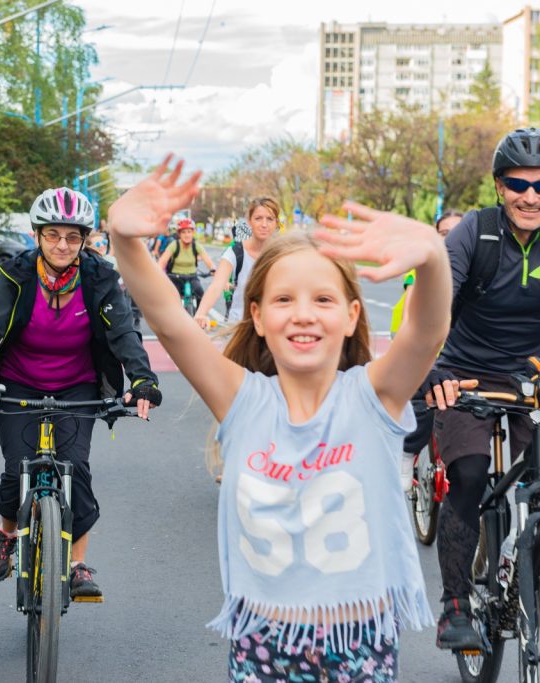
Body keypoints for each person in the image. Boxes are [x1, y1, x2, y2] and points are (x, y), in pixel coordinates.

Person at [109, 157, 446, 681]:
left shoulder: (374, 397)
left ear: (353, 315)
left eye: (324, 299)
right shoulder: (243, 399)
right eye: (284, 299)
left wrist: (432, 254)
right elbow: (171, 323)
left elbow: (427, 333)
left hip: (360, 642)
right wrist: (123, 238)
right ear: (259, 317)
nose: (304, 313)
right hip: (262, 644)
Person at [0, 186, 162, 600]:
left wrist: (143, 379)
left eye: (73, 236)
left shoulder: (99, 279)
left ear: (85, 240)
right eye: (53, 235)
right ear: (38, 235)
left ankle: (75, 565)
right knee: (15, 468)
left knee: (75, 468)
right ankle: (7, 534)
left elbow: (123, 334)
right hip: (17, 383)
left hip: (78, 386)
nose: (63, 245)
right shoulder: (16, 275)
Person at [420, 128, 540, 651]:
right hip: (464, 373)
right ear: (499, 186)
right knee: (468, 475)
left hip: (531, 376)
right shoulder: (476, 232)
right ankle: (454, 605)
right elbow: (433, 305)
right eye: (518, 184)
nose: (531, 196)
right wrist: (432, 371)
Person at [392, 209, 464, 492]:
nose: (452, 240)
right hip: (418, 348)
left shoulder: (477, 266)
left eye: (458, 233)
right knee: (425, 399)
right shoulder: (423, 268)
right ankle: (407, 452)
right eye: (445, 234)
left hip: (460, 356)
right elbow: (411, 317)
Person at [194, 198, 280, 327]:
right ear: (249, 222)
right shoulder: (235, 252)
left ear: (276, 223)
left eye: (270, 219)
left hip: (272, 325)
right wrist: (201, 313)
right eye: (258, 218)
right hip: (239, 325)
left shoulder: (281, 254)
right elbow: (217, 285)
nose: (264, 224)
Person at [157, 218, 215, 300]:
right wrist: (158, 271)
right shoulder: (174, 245)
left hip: (192, 277)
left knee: (200, 294)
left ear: (193, 233)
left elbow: (207, 260)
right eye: (183, 232)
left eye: (189, 232)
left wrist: (213, 269)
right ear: (179, 234)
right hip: (175, 277)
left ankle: (199, 313)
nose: (186, 235)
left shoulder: (196, 245)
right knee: (171, 298)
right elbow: (163, 261)